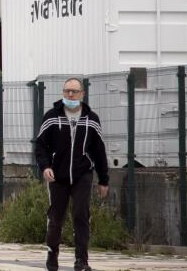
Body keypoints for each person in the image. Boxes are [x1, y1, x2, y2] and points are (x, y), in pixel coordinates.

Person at [35, 77, 109, 271]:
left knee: (81, 215)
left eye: (74, 91)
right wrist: (45, 167)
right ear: (63, 92)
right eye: (67, 91)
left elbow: (99, 151)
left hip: (82, 175)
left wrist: (104, 180)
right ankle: (52, 256)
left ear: (82, 94)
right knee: (55, 218)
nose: (70, 94)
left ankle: (81, 261)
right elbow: (41, 146)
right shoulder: (51, 116)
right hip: (57, 176)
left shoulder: (91, 119)